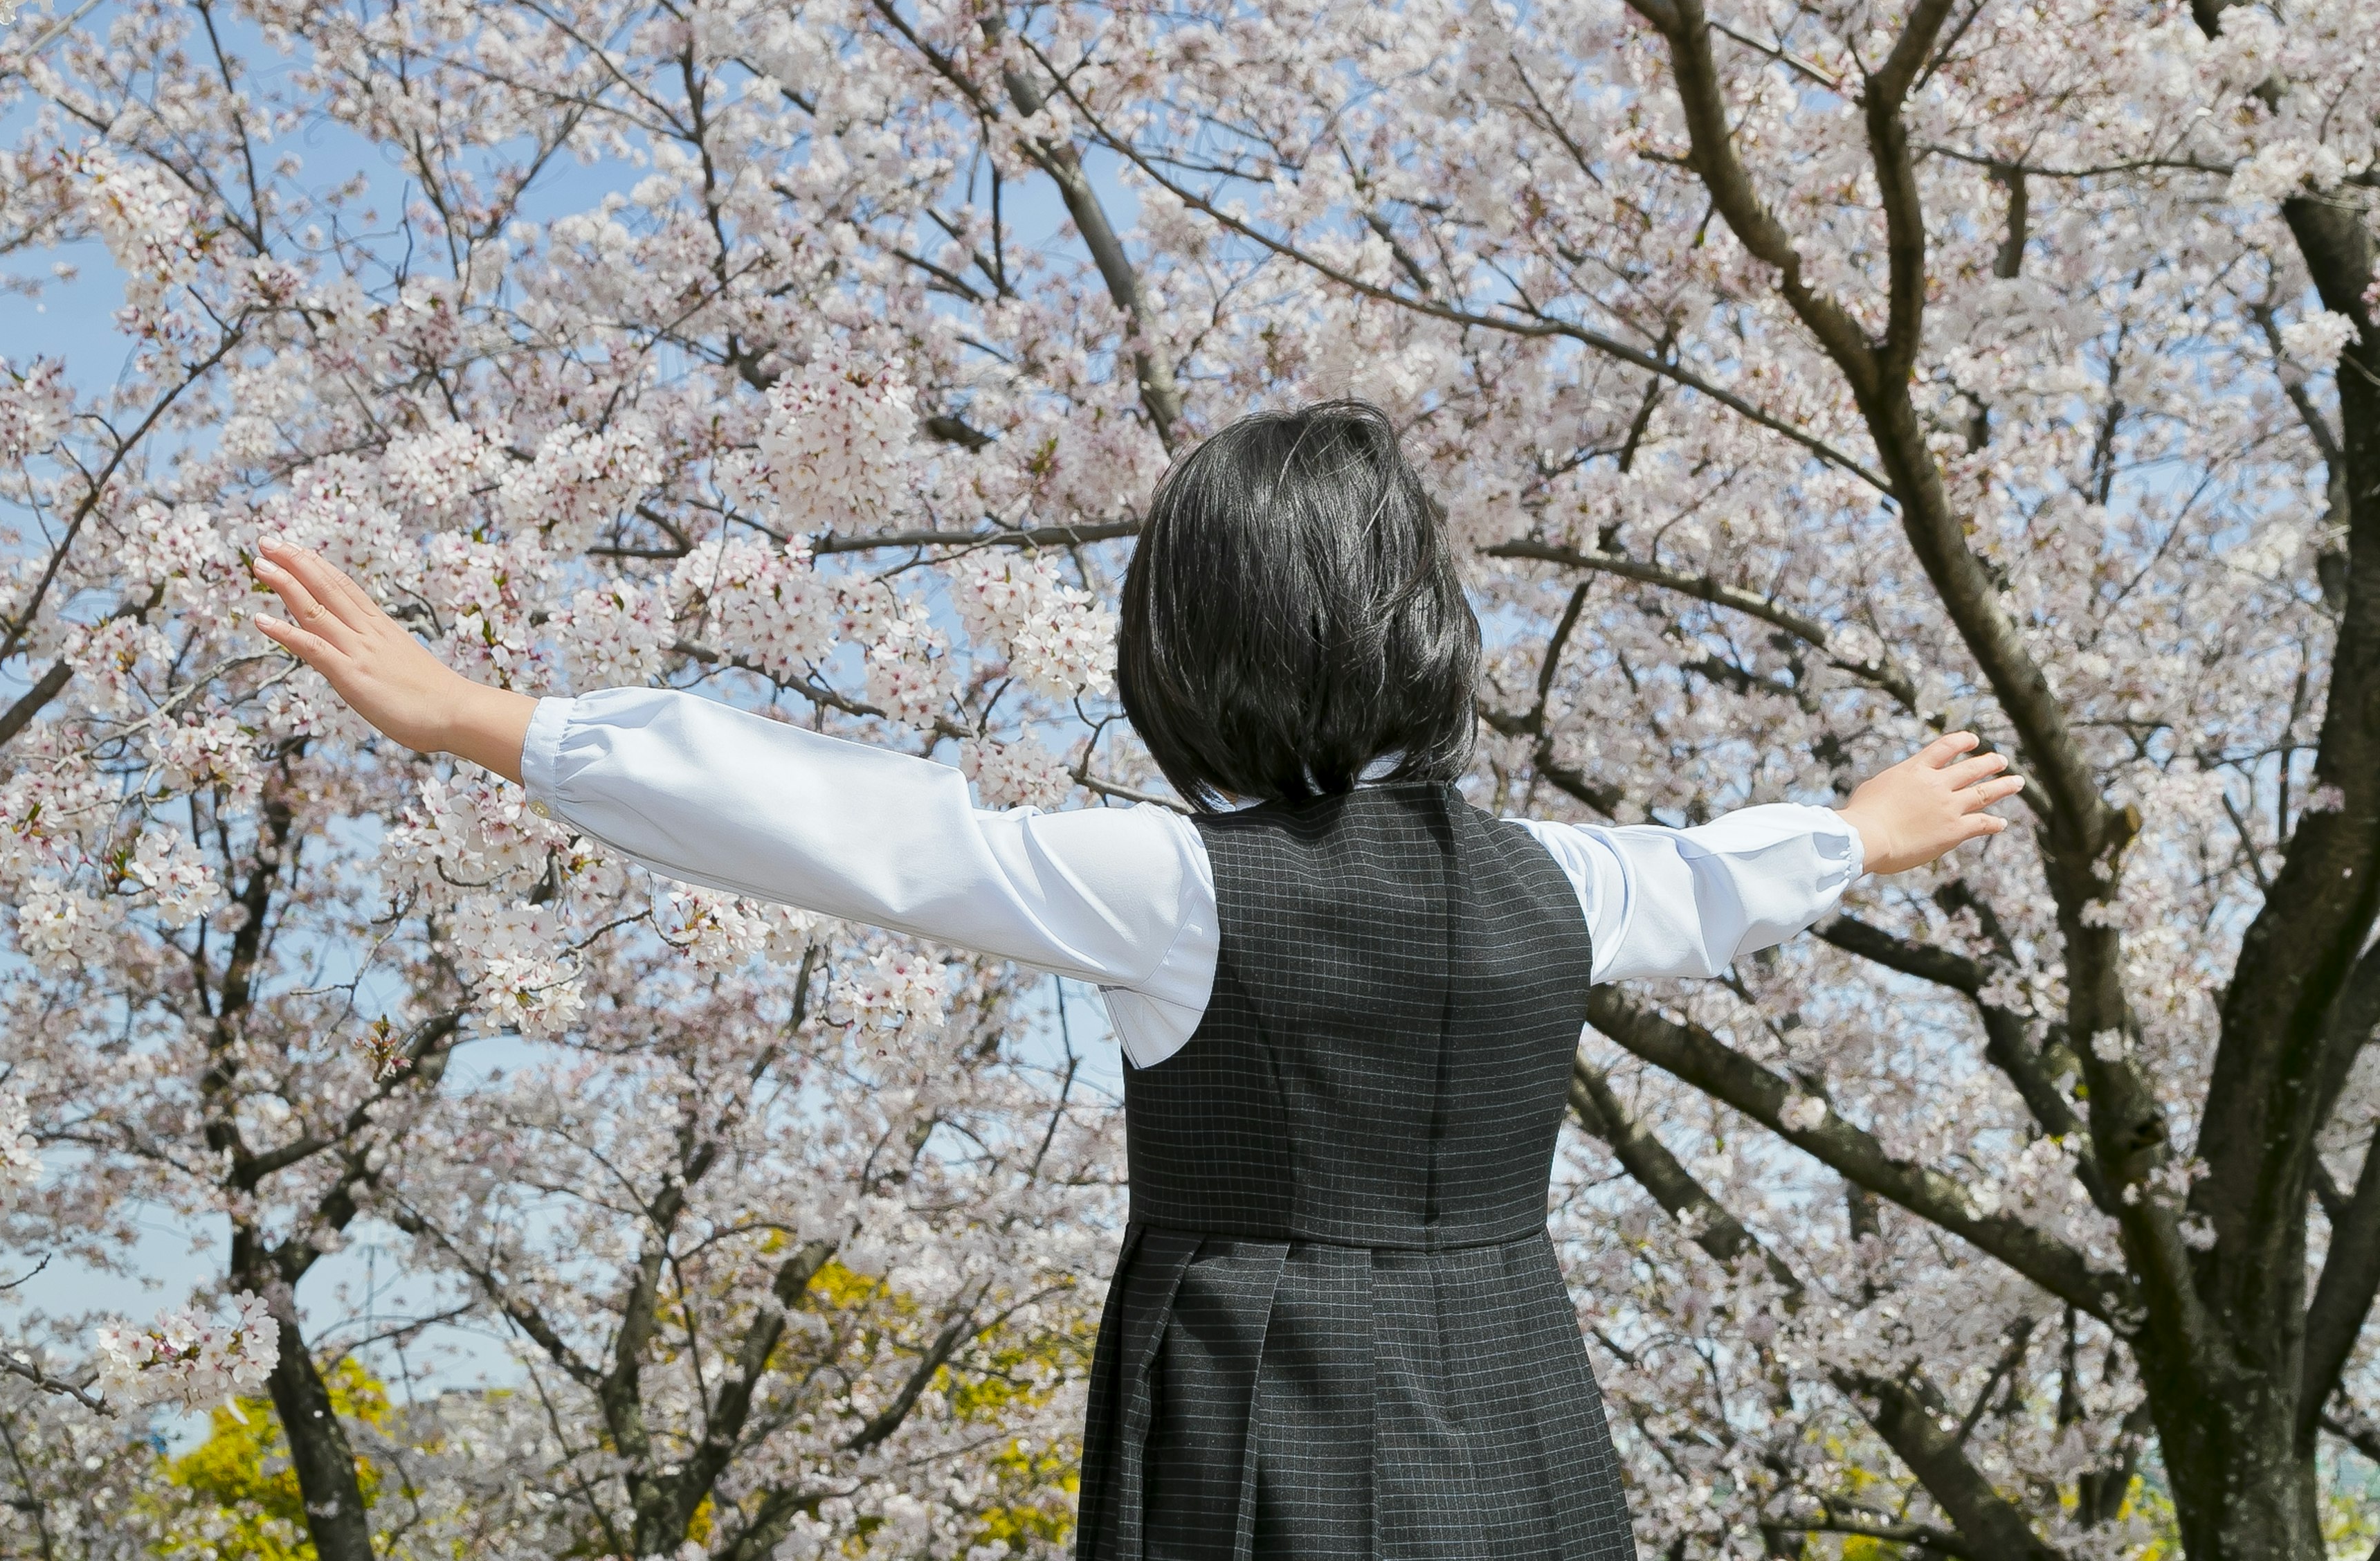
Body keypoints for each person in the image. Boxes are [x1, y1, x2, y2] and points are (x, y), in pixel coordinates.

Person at [250, 400, 2020, 1561]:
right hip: (1515, 1398)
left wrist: (474, 713)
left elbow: (858, 828)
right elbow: (1711, 879)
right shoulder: (1553, 880)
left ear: (1190, 641)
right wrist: (1862, 828)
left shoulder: (1181, 888)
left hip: (1268, 1399)